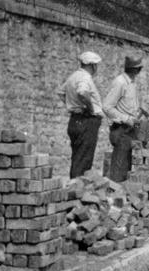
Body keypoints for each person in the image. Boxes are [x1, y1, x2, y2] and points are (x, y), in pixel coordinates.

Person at [57, 51, 106, 179]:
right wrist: (89, 108)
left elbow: (61, 93)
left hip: (75, 119)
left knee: (78, 157)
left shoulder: (73, 76)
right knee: (84, 159)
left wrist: (73, 106)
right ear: (92, 65)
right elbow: (83, 92)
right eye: (96, 65)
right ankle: (78, 190)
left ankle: (74, 187)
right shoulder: (85, 78)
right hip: (86, 120)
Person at [103, 55, 148, 182]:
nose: (139, 72)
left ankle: (123, 195)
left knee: (128, 165)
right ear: (135, 70)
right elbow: (106, 107)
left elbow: (132, 108)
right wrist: (126, 119)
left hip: (131, 129)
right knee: (119, 166)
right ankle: (114, 194)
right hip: (121, 129)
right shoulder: (120, 82)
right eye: (139, 69)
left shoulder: (132, 83)